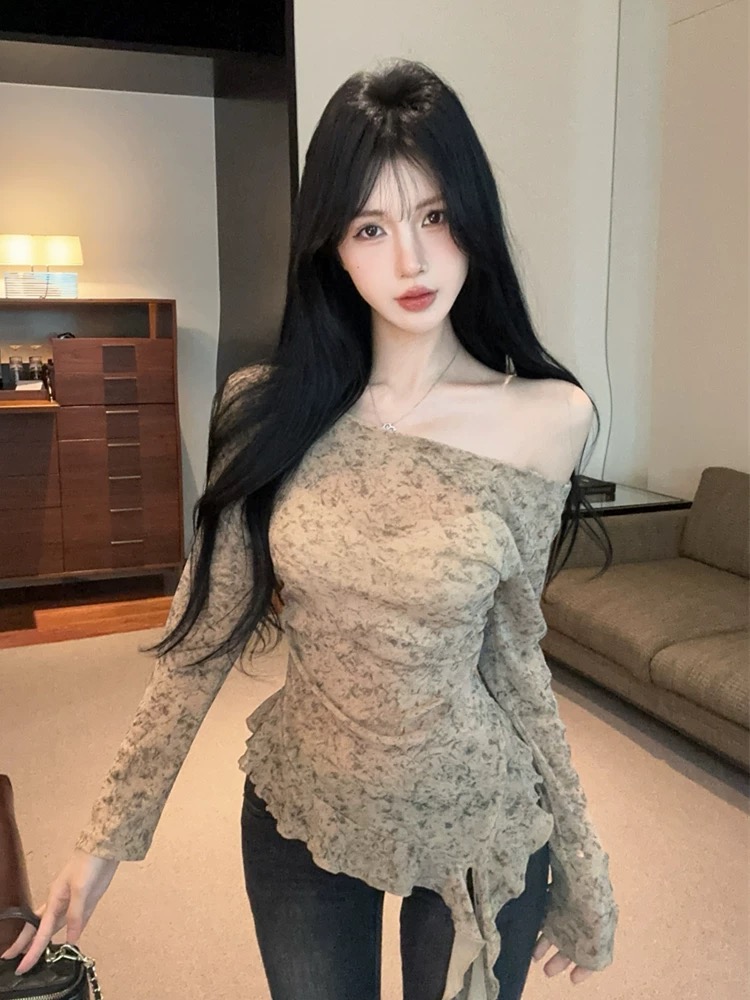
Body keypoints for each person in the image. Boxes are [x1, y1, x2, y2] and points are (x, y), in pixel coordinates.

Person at [2, 59, 618, 999]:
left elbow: (513, 658)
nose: (411, 261)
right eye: (371, 227)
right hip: (303, 805)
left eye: (435, 216)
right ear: (332, 244)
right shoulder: (266, 411)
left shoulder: (548, 418)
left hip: (478, 822)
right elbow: (199, 645)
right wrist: (102, 845)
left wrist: (582, 860)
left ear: (474, 219)